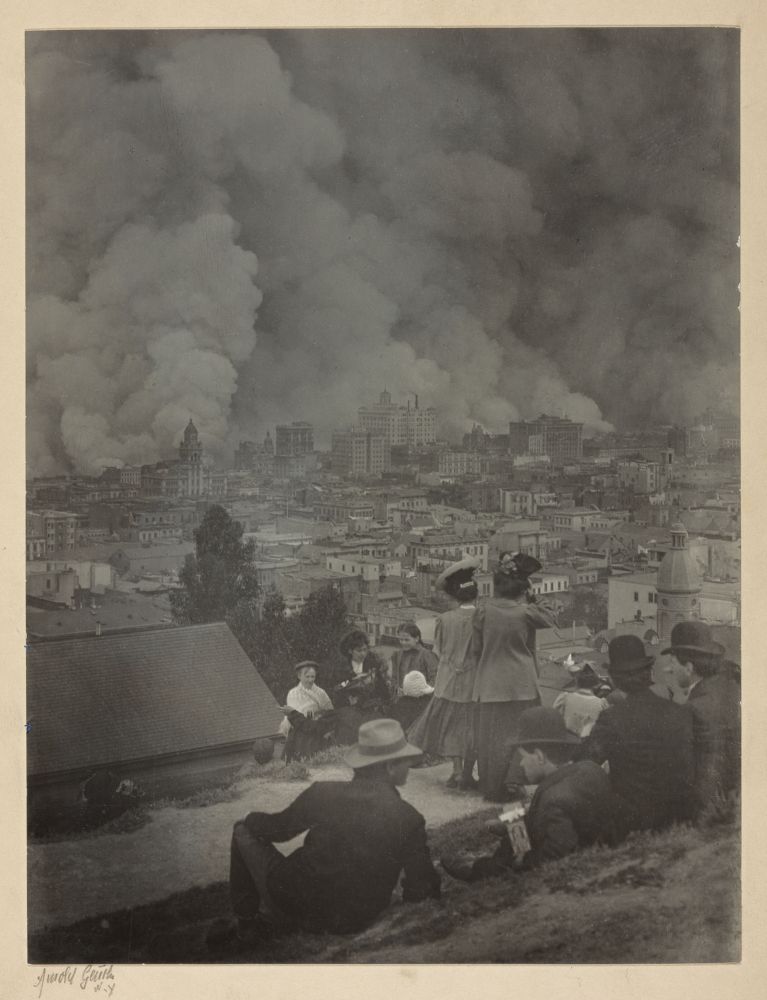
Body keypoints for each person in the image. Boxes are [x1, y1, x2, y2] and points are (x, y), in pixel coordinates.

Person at [210, 719, 441, 952]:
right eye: (405, 759)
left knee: (242, 831)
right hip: (353, 920)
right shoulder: (408, 818)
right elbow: (421, 888)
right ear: (390, 766)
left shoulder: (322, 793)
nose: (409, 765)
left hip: (295, 903)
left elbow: (277, 830)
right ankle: (262, 920)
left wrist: (250, 817)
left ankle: (248, 924)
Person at [441, 707, 621, 881]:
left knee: (507, 853)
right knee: (513, 813)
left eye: (522, 757)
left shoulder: (553, 800)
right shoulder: (590, 768)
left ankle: (480, 868)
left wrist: (522, 861)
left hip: (572, 854)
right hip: (592, 837)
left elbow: (557, 854)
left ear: (539, 756)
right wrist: (515, 820)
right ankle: (505, 837)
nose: (520, 765)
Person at [584, 635, 697, 834]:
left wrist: (585, 734)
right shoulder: (678, 712)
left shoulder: (611, 718)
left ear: (614, 678)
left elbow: (588, 762)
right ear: (648, 672)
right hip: (678, 820)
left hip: (632, 825)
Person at [471, 557, 558, 801]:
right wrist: (533, 596)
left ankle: (490, 786)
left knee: (491, 738)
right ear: (521, 590)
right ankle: (514, 782)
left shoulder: (482, 612)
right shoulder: (526, 612)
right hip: (522, 682)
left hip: (490, 681)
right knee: (521, 735)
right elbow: (551, 618)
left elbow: (476, 650)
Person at [408, 557, 481, 790]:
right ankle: (467, 774)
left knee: (451, 727)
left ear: (454, 596)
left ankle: (457, 771)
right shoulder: (483, 617)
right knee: (473, 728)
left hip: (448, 683)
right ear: (476, 593)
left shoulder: (444, 619)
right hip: (475, 683)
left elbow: (438, 652)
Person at [662, 620, 741, 803]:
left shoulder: (692, 710)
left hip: (708, 809)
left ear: (689, 668)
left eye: (673, 662)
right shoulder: (730, 692)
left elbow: (698, 780)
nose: (668, 669)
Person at [333, 629, 393, 744]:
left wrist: (382, 701)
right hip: (350, 707)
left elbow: (382, 689)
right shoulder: (341, 669)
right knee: (351, 725)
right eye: (359, 650)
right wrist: (348, 698)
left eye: (365, 650)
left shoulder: (373, 665)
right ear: (350, 651)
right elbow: (337, 693)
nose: (363, 654)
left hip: (371, 706)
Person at [280, 661, 336, 764]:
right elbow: (294, 717)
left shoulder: (321, 693)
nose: (310, 680)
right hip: (299, 733)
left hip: (318, 731)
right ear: (299, 676)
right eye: (307, 677)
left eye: (312, 677)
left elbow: (330, 712)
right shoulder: (293, 694)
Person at [553, 662, 609, 738]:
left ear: (577, 682)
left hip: (567, 740)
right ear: (596, 685)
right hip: (589, 742)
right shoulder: (602, 704)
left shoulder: (565, 698)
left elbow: (554, 718)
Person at [390, 623, 439, 689]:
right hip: (402, 694)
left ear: (416, 639)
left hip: (423, 694)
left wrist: (421, 691)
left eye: (407, 640)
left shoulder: (428, 655)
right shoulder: (397, 655)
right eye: (401, 640)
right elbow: (394, 678)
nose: (403, 643)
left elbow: (435, 680)